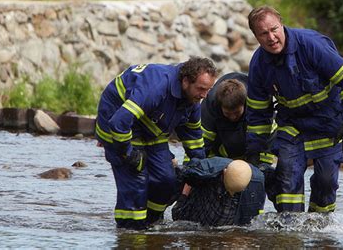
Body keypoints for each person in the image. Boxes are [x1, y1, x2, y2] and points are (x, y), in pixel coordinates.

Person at [245, 6, 343, 213]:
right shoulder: (258, 65)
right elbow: (258, 112)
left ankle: (321, 230)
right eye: (264, 33)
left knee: (326, 182)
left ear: (282, 25)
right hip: (292, 127)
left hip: (328, 123)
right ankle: (290, 233)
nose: (271, 37)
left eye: (274, 29)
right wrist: (257, 152)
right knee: (287, 181)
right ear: (255, 36)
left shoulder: (310, 45)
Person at [95, 57, 218, 229]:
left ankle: (152, 224)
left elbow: (193, 135)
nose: (204, 95)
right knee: (136, 183)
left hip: (150, 128)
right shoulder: (156, 88)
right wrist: (128, 153)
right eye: (201, 89)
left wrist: (199, 167)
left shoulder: (193, 99)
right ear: (185, 81)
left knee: (167, 181)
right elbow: (119, 122)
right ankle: (131, 233)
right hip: (118, 125)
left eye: (208, 90)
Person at [199, 71, 276, 165]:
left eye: (236, 113)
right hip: (223, 146)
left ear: (244, 104)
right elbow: (201, 142)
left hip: (251, 138)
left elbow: (266, 136)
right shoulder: (210, 105)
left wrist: (262, 166)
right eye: (227, 113)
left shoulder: (256, 99)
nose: (232, 117)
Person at [171, 157, 266, 226]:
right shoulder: (206, 171)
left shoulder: (257, 182)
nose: (231, 194)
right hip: (197, 218)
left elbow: (252, 221)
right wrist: (183, 196)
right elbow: (186, 176)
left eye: (236, 192)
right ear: (224, 172)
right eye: (229, 189)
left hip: (226, 228)